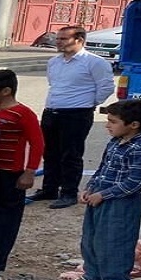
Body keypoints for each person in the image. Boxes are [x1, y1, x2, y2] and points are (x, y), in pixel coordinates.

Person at [65, 99, 141, 280]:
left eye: (113, 121)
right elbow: (102, 168)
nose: (107, 125)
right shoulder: (115, 142)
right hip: (99, 196)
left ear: (133, 125)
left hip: (121, 202)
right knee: (91, 238)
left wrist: (103, 194)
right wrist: (90, 188)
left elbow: (135, 182)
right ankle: (93, 275)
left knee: (115, 242)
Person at [32, 26, 115, 209]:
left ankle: (69, 192)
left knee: (71, 154)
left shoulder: (94, 62)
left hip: (77, 113)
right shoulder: (54, 62)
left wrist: (88, 103)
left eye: (63, 39)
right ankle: (49, 188)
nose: (58, 42)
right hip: (52, 111)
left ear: (79, 40)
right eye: (58, 38)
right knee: (51, 152)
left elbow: (106, 87)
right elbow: (54, 84)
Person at [0, 69, 44, 280]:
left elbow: (37, 143)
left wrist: (29, 171)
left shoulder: (23, 113)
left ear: (6, 91)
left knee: (4, 222)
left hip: (11, 174)